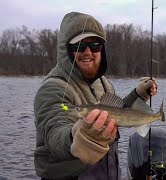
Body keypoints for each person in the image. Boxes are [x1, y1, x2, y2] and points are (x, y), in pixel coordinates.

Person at [33, 12, 157, 180]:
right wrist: (77, 136)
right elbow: (55, 135)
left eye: (95, 45)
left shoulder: (103, 83)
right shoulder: (53, 88)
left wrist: (138, 95)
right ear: (66, 50)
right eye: (79, 46)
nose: (88, 52)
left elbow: (118, 113)